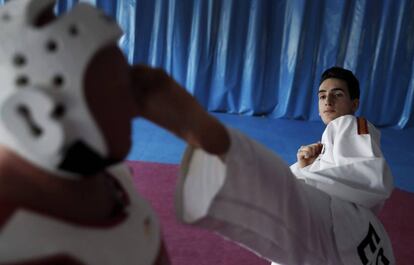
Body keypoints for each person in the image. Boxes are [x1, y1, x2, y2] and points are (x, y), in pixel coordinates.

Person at [0, 1, 394, 265]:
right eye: (116, 86)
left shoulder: (116, 192)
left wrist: (209, 134)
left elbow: (317, 195)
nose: (136, 98)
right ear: (34, 117)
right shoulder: (32, 229)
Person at [174, 67, 395, 265]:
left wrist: (300, 180)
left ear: (354, 103)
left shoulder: (350, 123)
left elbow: (370, 175)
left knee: (271, 199)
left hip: (340, 229)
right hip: (351, 236)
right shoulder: (335, 135)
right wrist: (305, 167)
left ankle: (226, 178)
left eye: (338, 94)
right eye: (322, 96)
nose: (328, 101)